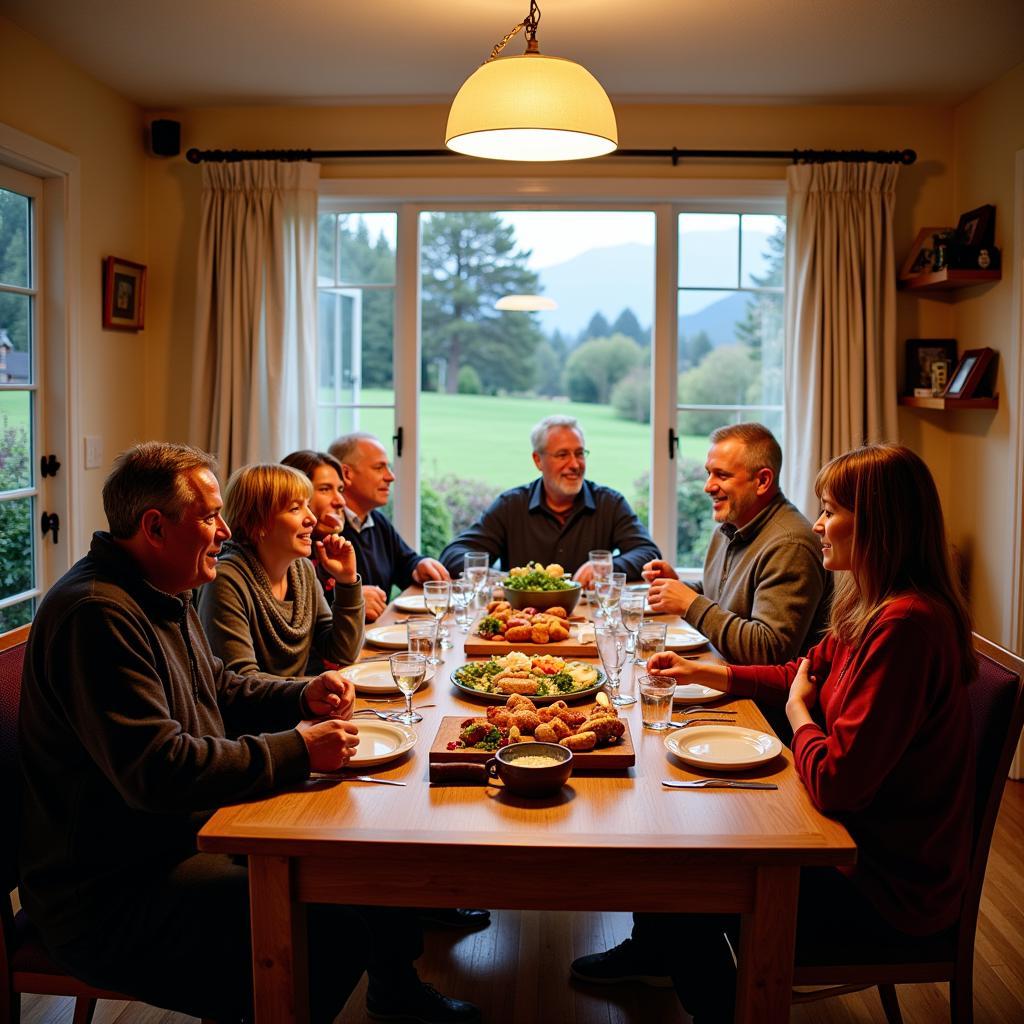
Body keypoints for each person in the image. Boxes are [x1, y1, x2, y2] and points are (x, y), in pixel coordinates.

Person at [18, 442, 479, 1024]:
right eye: (209, 517)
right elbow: (157, 772)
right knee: (334, 933)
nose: (222, 530)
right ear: (155, 527)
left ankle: (396, 993)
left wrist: (302, 694)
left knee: (364, 861)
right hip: (111, 885)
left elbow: (222, 686)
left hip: (184, 832)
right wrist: (297, 748)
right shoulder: (98, 615)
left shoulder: (162, 587)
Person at [572, 444, 976, 1022]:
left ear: (879, 525)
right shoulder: (871, 602)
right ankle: (658, 952)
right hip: (848, 841)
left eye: (831, 509)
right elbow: (801, 672)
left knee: (682, 881)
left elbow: (836, 780)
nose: (817, 524)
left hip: (881, 883)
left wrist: (800, 715)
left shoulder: (906, 626)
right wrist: (709, 673)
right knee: (677, 843)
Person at [642, 422, 829, 664]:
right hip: (720, 672)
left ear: (762, 481)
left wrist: (689, 602)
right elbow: (725, 598)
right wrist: (678, 587)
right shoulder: (730, 526)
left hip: (759, 701)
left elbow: (769, 651)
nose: (708, 486)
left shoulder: (790, 545)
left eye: (722, 475)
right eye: (709, 473)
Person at [439, 415, 660, 584]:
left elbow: (648, 554)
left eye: (580, 453)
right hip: (524, 624)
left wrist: (606, 567)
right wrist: (499, 577)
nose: (575, 464)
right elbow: (453, 554)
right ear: (538, 460)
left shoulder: (609, 503)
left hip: (589, 624)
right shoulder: (511, 505)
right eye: (562, 455)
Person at [197, 462, 363, 677]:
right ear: (257, 522)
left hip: (299, 706)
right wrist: (312, 688)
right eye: (295, 508)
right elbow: (240, 680)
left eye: (308, 506)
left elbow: (342, 653)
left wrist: (347, 582)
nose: (311, 518)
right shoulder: (226, 580)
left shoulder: (302, 569)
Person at [328, 433, 449, 622]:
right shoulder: (324, 530)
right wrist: (350, 602)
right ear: (346, 474)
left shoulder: (376, 520)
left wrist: (419, 565)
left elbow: (404, 562)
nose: (390, 477)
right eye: (379, 468)